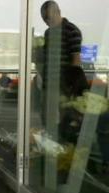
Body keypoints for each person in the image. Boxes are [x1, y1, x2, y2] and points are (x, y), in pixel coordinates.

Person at [40, 0, 82, 132]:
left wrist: (70, 86)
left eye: (49, 18)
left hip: (63, 85)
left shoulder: (72, 30)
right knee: (46, 118)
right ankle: (49, 146)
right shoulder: (48, 33)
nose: (47, 22)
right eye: (45, 19)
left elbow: (76, 60)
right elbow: (46, 58)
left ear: (58, 12)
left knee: (65, 120)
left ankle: (63, 148)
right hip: (48, 84)